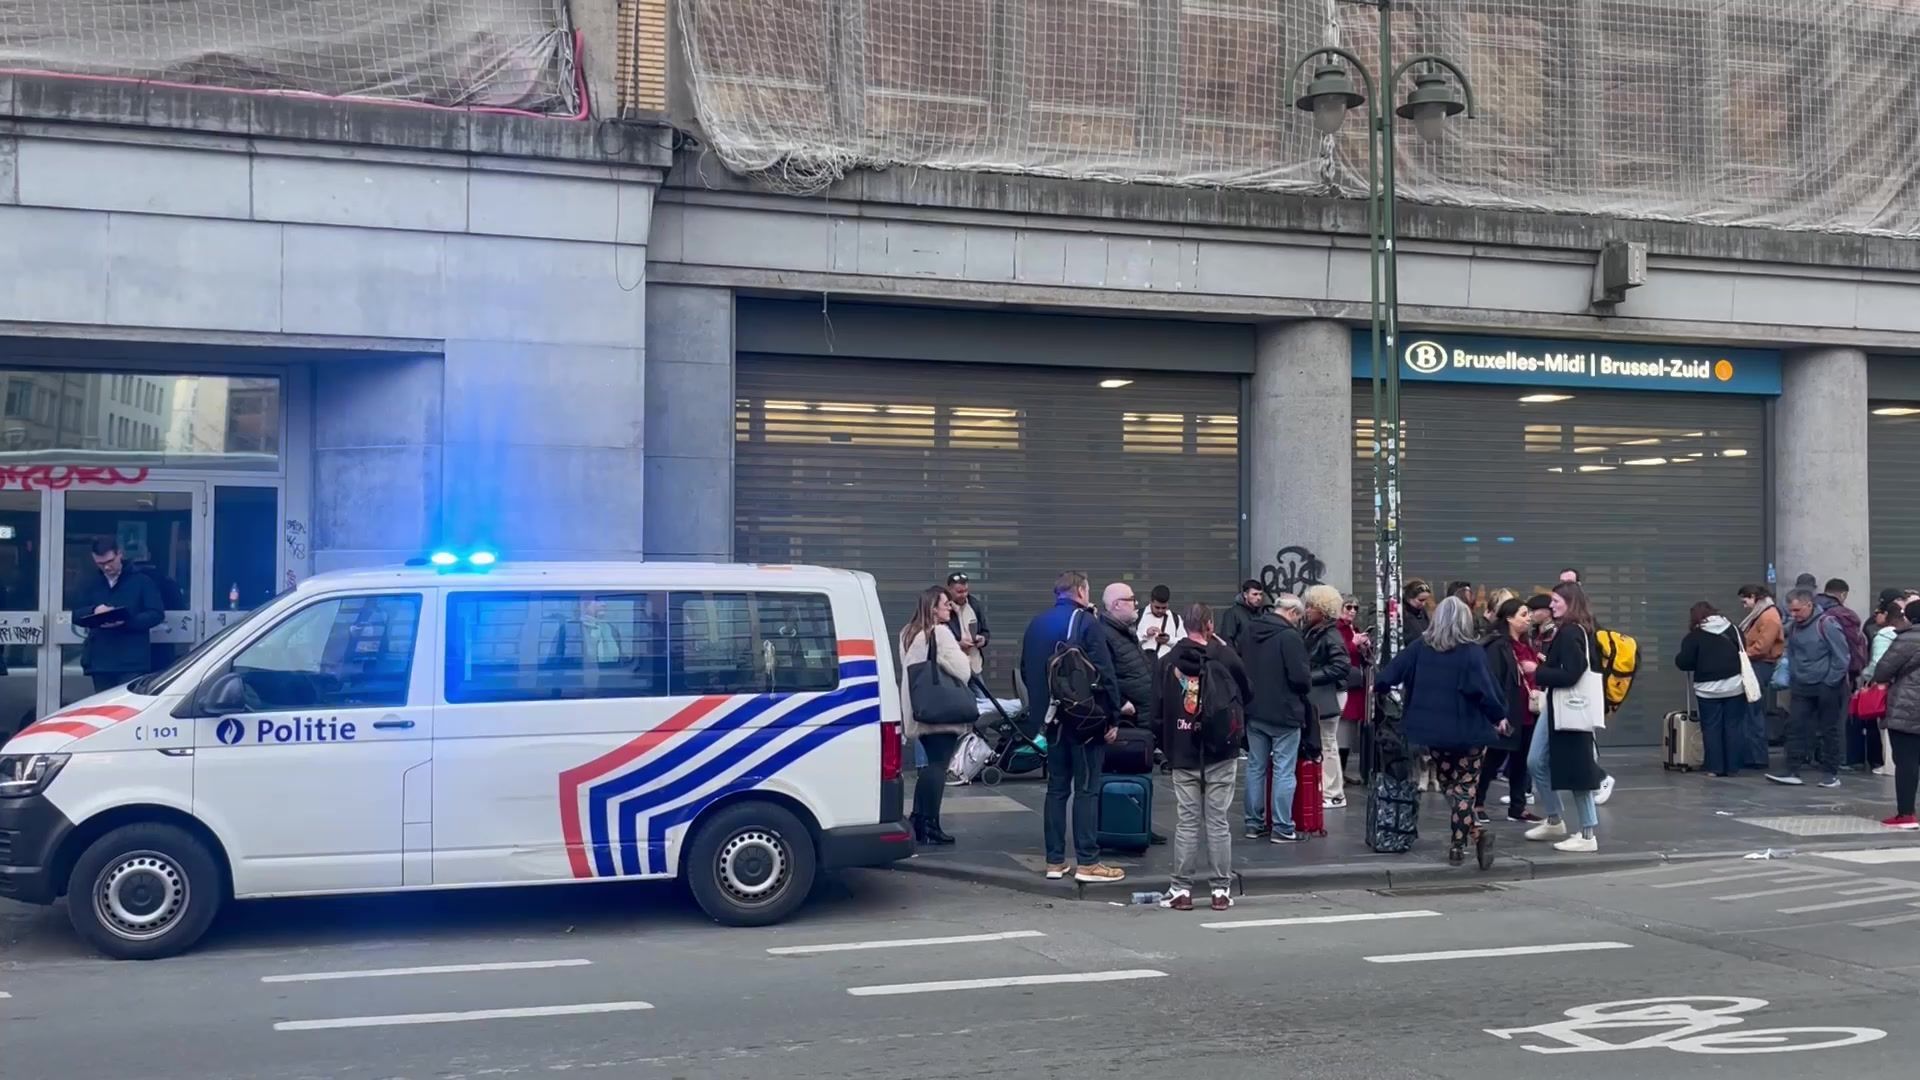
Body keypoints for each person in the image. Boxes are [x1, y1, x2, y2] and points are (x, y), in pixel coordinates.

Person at [1374, 596, 1510, 865]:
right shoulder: (1472, 652)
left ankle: (1476, 834)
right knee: (1465, 787)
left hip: (1433, 734)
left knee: (1450, 785)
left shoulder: (1419, 648)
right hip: (1469, 732)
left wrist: (1377, 688)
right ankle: (1459, 846)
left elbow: (1387, 676)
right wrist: (1499, 717)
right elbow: (1486, 691)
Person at [1020, 571, 1126, 883]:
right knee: (1087, 788)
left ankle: (1055, 861)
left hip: (1049, 721)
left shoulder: (1036, 623)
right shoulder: (1086, 622)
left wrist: (1041, 709)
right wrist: (1113, 715)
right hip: (1084, 720)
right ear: (1080, 590)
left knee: (1056, 789)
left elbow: (1026, 671)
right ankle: (1088, 861)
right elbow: (1105, 671)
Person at [1151, 603, 1253, 910]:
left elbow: (1155, 711)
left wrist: (1167, 746)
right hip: (1221, 750)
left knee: (1187, 821)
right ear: (1209, 625)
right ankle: (1221, 891)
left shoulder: (1167, 661)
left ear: (1184, 624)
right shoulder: (1224, 656)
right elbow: (1247, 693)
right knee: (1218, 821)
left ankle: (1181, 889)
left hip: (1183, 749)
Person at [1525, 582, 1606, 853]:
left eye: (1557, 600)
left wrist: (1537, 671)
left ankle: (1587, 833)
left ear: (1570, 602)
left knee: (1578, 769)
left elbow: (1572, 673)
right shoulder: (1576, 630)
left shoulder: (1571, 632)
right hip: (1560, 705)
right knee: (1536, 760)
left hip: (1569, 706)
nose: (1551, 605)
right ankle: (1555, 819)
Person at [898, 586, 973, 844]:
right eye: (945, 604)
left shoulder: (909, 633)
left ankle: (918, 818)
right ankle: (931, 823)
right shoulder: (939, 633)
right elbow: (964, 671)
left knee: (930, 766)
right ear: (933, 609)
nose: (950, 608)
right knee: (938, 766)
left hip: (921, 709)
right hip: (942, 712)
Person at [1243, 593, 1312, 842]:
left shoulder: (1251, 629)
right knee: (1284, 770)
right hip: (1284, 712)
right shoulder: (1289, 636)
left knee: (1255, 767)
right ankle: (1282, 827)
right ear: (1292, 613)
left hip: (1254, 709)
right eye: (1299, 618)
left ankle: (1254, 823)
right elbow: (1300, 678)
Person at [1768, 587, 1850, 788]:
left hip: (1827, 685)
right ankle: (1792, 769)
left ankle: (1831, 773)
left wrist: (1829, 682)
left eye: (1797, 611)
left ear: (1809, 605)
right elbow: (1792, 651)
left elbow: (1842, 657)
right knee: (1795, 726)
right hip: (1802, 684)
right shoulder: (1795, 626)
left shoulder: (1827, 624)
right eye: (1790, 611)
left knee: (1829, 729)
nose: (1794, 615)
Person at [72, 538, 165, 693]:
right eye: (100, 564)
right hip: (100, 660)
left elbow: (156, 613)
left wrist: (126, 621)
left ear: (120, 554)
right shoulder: (90, 583)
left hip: (132, 660)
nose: (107, 567)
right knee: (104, 711)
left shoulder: (142, 581)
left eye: (110, 561)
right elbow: (76, 614)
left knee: (129, 708)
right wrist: (94, 611)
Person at [1476, 597, 1539, 823]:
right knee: (1493, 759)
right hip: (1507, 711)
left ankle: (1518, 806)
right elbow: (1493, 680)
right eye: (1523, 614)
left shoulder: (1527, 645)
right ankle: (1478, 801)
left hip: (1528, 711)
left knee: (1522, 761)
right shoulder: (1498, 646)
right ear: (1509, 619)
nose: (1528, 618)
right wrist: (1497, 713)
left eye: (1529, 614)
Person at [1675, 602, 1748, 777]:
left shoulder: (1694, 636)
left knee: (1711, 728)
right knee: (1733, 726)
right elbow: (1743, 650)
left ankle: (1715, 767)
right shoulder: (1734, 630)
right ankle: (1733, 767)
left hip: (1707, 689)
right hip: (1735, 686)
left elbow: (1684, 662)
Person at [1867, 598, 1920, 830]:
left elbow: (1883, 670)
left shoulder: (1908, 638)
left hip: (1908, 707)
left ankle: (1906, 814)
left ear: (1908, 617)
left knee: (1907, 761)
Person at [1302, 585, 1353, 809]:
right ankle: (1331, 790)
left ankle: (1333, 792)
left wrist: (1310, 676)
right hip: (1326, 692)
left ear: (1322, 609)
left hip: (1330, 693)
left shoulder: (1328, 634)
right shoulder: (1318, 631)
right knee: (1325, 742)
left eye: (1311, 606)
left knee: (1328, 742)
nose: (1307, 610)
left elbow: (1341, 666)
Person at [1738, 584, 1784, 770]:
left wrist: (1742, 653)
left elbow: (1763, 646)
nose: (1744, 605)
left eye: (1745, 600)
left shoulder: (1769, 616)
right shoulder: (1763, 613)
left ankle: (1757, 757)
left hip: (1761, 664)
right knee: (1752, 711)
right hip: (1757, 664)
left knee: (1754, 710)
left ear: (1753, 596)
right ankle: (1752, 755)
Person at [1097, 583, 1154, 724]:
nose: (1136, 603)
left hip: (1147, 716)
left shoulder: (1125, 631)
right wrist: (1121, 703)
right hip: (1131, 721)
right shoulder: (1103, 635)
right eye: (1132, 599)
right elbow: (1100, 677)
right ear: (1117, 605)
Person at [1868, 599, 1907, 778]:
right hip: (1911, 688)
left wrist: (1867, 678)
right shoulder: (1909, 634)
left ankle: (1889, 766)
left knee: (1888, 729)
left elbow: (1877, 664)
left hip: (1889, 689)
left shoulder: (1884, 635)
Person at [1336, 594, 1373, 783]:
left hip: (1355, 685)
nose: (1352, 611)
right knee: (1341, 731)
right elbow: (1339, 651)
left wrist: (1365, 646)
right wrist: (1354, 644)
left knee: (1349, 732)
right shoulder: (1336, 628)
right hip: (1344, 685)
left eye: (1355, 608)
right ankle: (1337, 773)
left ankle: (1341, 772)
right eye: (1348, 607)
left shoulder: (1353, 628)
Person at [944, 572, 990, 678]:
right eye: (959, 592)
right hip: (953, 667)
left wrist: (983, 640)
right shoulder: (944, 609)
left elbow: (985, 631)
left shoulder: (974, 604)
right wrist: (958, 644)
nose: (964, 595)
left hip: (974, 665)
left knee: (981, 694)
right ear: (949, 590)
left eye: (966, 591)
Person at [1217, 579, 1266, 661]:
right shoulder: (1233, 613)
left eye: (1260, 594)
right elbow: (1227, 639)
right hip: (1240, 660)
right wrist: (1235, 660)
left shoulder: (1259, 614)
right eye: (1255, 594)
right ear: (1245, 595)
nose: (1258, 598)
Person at [1137, 584, 1185, 660]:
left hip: (1166, 666)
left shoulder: (1176, 618)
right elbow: (1127, 641)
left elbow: (1184, 643)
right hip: (1142, 665)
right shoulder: (1138, 616)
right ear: (1151, 602)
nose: (1160, 610)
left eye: (1164, 608)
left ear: (1168, 604)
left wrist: (1168, 640)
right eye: (1157, 607)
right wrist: (1145, 634)